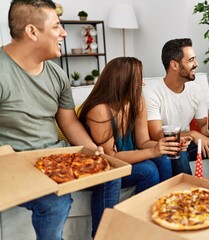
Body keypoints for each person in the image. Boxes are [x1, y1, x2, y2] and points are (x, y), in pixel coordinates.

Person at [0, 1, 119, 238]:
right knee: (55, 201)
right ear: (32, 32)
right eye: (57, 26)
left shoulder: (57, 74)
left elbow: (68, 122)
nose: (64, 33)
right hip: (16, 164)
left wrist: (90, 148)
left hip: (56, 157)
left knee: (110, 175)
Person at [79, 57, 185, 195]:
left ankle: (164, 206)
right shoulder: (100, 110)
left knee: (164, 158)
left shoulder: (137, 100)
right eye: (138, 79)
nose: (143, 83)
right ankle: (141, 212)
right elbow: (111, 156)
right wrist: (153, 151)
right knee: (148, 170)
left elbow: (143, 142)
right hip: (104, 167)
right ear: (123, 82)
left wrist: (165, 145)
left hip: (126, 159)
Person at [143, 38, 209, 176]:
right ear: (174, 65)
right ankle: (188, 194)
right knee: (178, 150)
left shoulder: (196, 90)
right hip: (170, 145)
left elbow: (203, 125)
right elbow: (156, 134)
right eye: (191, 60)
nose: (196, 64)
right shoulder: (152, 93)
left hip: (189, 144)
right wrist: (193, 134)